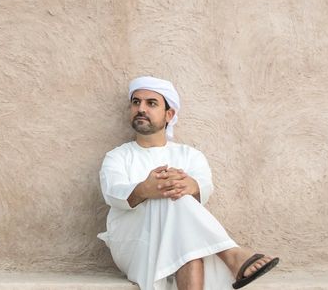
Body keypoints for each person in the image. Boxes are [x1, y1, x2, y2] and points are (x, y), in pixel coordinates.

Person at [98, 76, 280, 290]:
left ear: (169, 114)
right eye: (136, 102)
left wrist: (191, 186)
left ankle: (230, 255)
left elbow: (204, 186)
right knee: (170, 196)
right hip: (134, 243)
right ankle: (230, 254)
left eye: (151, 103)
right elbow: (113, 193)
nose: (141, 108)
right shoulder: (117, 156)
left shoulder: (190, 155)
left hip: (183, 239)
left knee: (188, 242)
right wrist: (144, 190)